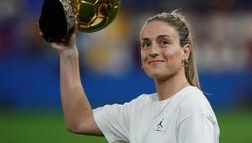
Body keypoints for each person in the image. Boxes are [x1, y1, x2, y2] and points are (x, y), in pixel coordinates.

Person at [49, 9, 220, 143]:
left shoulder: (191, 106)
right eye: (146, 44)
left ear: (185, 52)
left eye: (164, 42)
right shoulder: (140, 108)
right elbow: (79, 121)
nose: (153, 51)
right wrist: (68, 53)